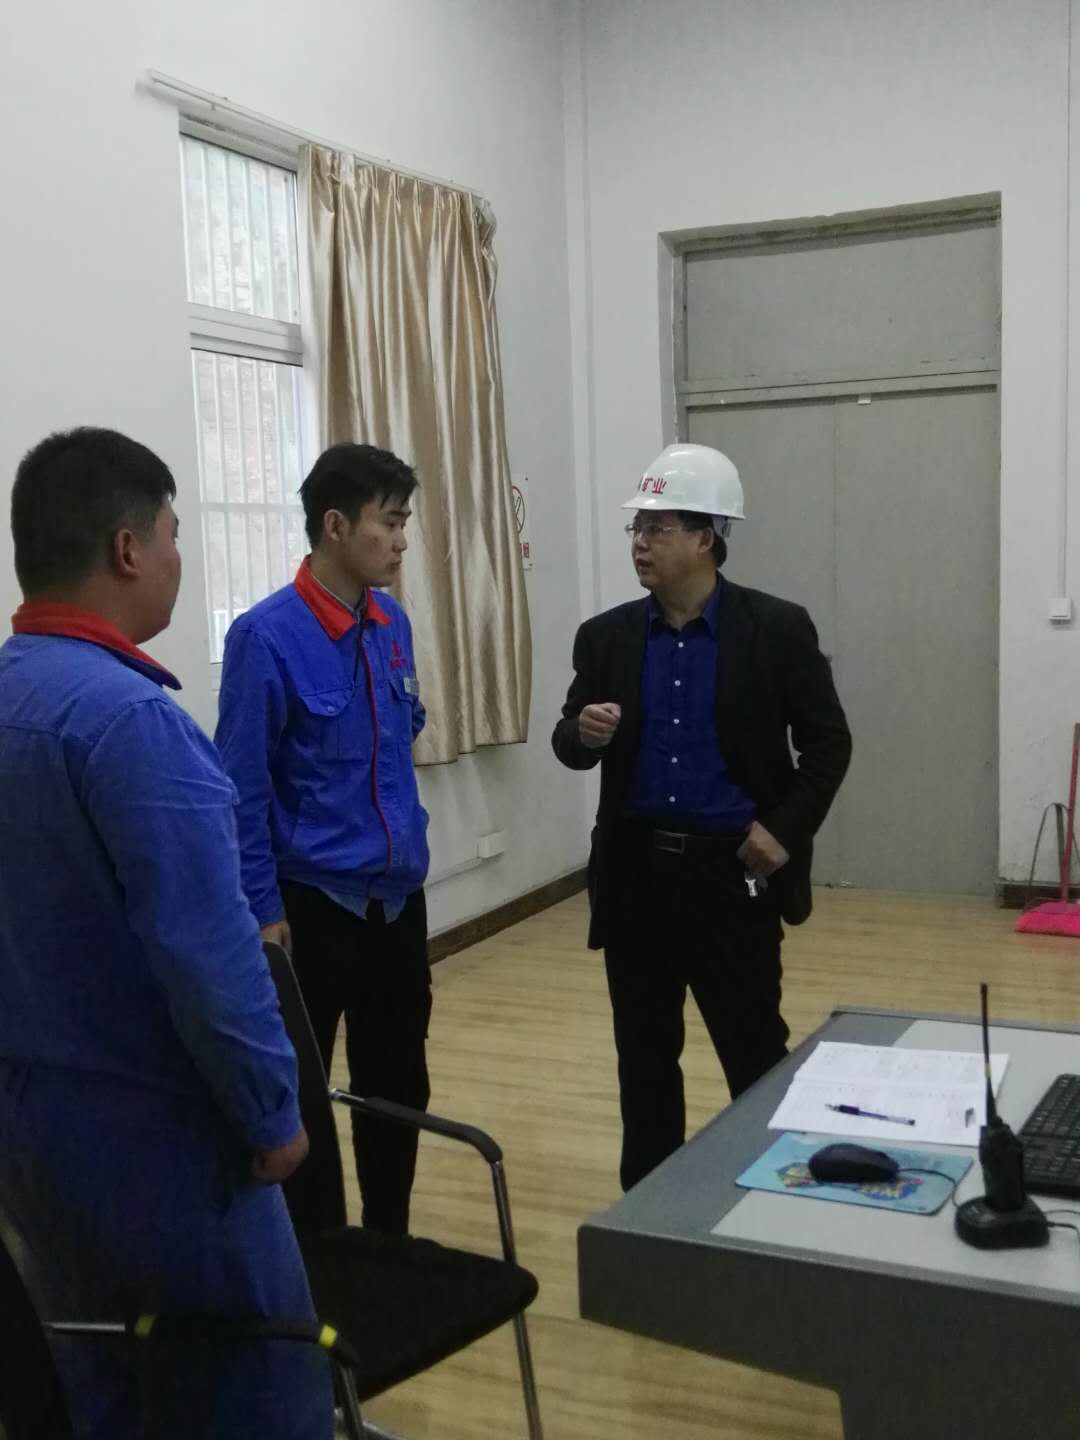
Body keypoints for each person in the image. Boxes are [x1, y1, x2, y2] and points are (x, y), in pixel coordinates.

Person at [0, 428, 333, 1439]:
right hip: (165, 1146)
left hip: (30, 1138)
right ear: (128, 548)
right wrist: (272, 1114)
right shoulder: (133, 726)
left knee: (99, 1382)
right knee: (252, 1386)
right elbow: (210, 957)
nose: (180, 556)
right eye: (175, 533)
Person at [552, 442, 852, 1192]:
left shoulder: (775, 629)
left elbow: (828, 744)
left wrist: (784, 830)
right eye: (636, 527)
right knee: (644, 1063)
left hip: (733, 879)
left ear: (706, 537)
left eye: (657, 527)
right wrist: (581, 733)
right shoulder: (606, 637)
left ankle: (773, 1202)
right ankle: (649, 1216)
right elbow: (568, 741)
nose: (640, 542)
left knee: (754, 1057)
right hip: (638, 879)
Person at [215, 442, 431, 1236]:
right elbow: (240, 790)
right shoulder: (265, 637)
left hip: (395, 903)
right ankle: (321, 1260)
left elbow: (402, 730)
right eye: (389, 523)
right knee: (304, 1093)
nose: (401, 541)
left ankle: (388, 1243)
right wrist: (263, 910)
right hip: (309, 909)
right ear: (336, 526)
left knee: (398, 1088)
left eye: (405, 523)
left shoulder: (391, 623)